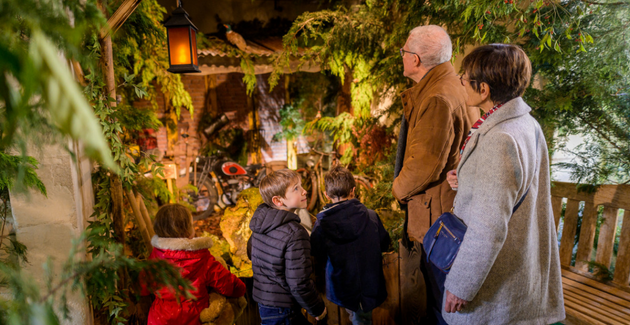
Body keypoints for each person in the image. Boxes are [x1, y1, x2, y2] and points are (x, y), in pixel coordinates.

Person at [443, 44, 565, 324]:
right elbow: (511, 187)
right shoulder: (525, 123)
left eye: (466, 76)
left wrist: (461, 285)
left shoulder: (499, 137)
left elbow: (489, 225)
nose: (461, 81)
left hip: (496, 283)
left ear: (483, 89)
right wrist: (466, 180)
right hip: (518, 268)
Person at [392, 24, 479, 324]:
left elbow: (423, 165)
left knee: (442, 307)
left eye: (403, 51)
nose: (401, 56)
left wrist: (397, 189)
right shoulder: (448, 85)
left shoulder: (436, 97)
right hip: (446, 211)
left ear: (415, 59)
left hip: (438, 221)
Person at [311, 166, 391, 325]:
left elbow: (316, 252)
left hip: (342, 287)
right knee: (361, 319)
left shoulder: (322, 224)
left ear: (327, 195)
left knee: (357, 319)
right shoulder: (371, 216)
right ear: (353, 191)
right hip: (370, 285)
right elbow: (385, 244)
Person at [143, 203, 246, 325]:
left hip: (159, 319)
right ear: (187, 231)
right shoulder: (201, 258)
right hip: (193, 318)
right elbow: (227, 283)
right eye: (191, 225)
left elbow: (143, 286)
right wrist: (241, 289)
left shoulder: (156, 255)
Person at [249, 169, 327, 324]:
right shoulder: (295, 233)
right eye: (296, 188)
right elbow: (299, 283)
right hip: (284, 309)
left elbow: (250, 252)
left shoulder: (260, 223)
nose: (305, 191)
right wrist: (318, 309)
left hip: (264, 304)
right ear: (278, 200)